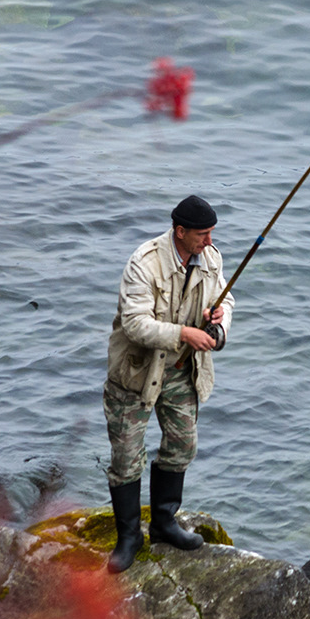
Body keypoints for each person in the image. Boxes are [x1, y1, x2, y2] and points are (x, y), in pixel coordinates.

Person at [103, 194, 234, 572]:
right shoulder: (143, 263)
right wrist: (185, 333)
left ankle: (163, 523)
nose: (209, 241)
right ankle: (128, 537)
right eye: (202, 234)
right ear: (180, 231)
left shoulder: (211, 259)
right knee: (126, 459)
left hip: (180, 372)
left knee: (182, 445)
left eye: (211, 233)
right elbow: (135, 324)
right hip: (136, 374)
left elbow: (228, 303)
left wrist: (216, 324)